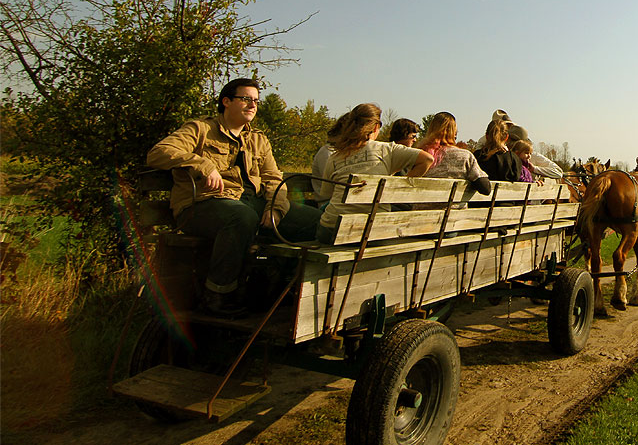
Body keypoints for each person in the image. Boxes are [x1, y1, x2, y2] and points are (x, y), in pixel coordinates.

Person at [147, 78, 322, 317]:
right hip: (202, 206)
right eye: (246, 99)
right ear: (226, 101)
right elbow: (158, 153)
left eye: (256, 101)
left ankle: (279, 288)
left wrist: (275, 209)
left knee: (318, 222)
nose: (253, 105)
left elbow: (273, 178)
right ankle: (218, 295)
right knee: (241, 217)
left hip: (252, 205)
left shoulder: (258, 139)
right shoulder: (200, 129)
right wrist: (202, 163)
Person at [316, 104, 433, 244]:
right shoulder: (386, 149)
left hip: (332, 230)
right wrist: (397, 187)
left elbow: (327, 194)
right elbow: (427, 159)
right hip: (374, 231)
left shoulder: (335, 157)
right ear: (376, 127)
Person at [417, 112, 492, 195]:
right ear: (454, 133)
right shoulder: (465, 156)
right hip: (453, 207)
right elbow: (486, 188)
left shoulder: (419, 154)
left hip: (420, 207)